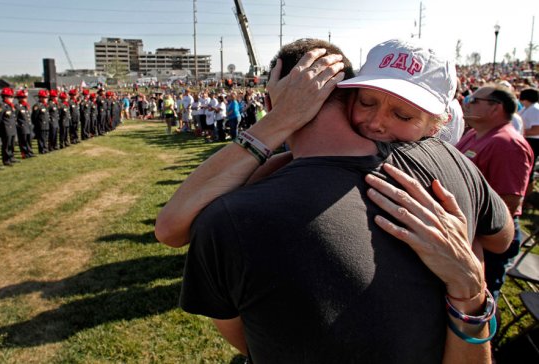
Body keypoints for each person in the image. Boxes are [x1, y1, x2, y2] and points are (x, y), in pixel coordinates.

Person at [157, 39, 513, 363]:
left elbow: (171, 230)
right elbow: (503, 236)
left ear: (437, 124)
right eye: (369, 101)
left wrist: (278, 120)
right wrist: (470, 275)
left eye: (403, 115)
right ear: (348, 94)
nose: (377, 122)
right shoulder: (453, 163)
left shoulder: (232, 219)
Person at [456, 85, 534, 304]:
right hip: (469, 229)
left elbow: (509, 200)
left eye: (474, 100)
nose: (467, 103)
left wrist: (477, 233)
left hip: (488, 235)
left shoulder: (507, 144)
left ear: (495, 108)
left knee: (482, 296)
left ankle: (484, 335)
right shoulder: (475, 133)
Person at [0, 87, 18, 166]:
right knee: (6, 145)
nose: (12, 98)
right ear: (5, 97)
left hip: (12, 128)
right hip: (5, 129)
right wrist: (1, 130)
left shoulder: (10, 106)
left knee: (11, 144)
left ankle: (11, 156)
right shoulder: (1, 106)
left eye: (12, 97)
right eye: (10, 97)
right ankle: (6, 159)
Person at [15, 89, 35, 158]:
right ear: (19, 98)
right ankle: (24, 153)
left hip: (28, 126)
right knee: (23, 141)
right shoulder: (17, 107)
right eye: (23, 97)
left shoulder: (26, 106)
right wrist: (18, 126)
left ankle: (29, 152)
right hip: (22, 127)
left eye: (25, 97)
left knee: (28, 140)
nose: (25, 99)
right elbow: (15, 118)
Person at [31, 89, 51, 154]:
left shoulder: (45, 105)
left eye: (47, 98)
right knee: (41, 138)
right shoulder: (37, 106)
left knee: (45, 137)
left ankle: (45, 148)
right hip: (40, 125)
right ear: (41, 98)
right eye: (45, 97)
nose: (46, 99)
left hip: (46, 124)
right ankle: (41, 149)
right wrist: (37, 124)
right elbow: (34, 117)